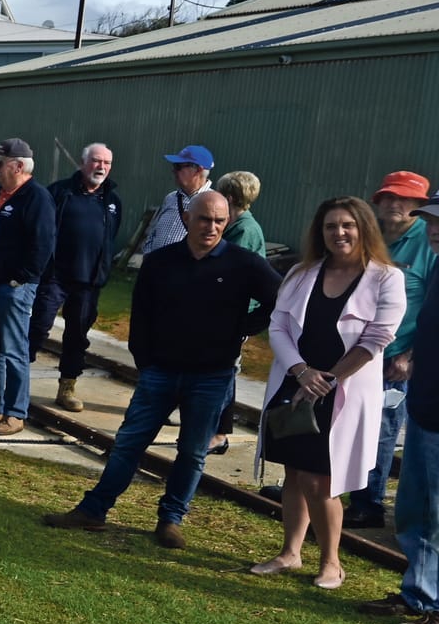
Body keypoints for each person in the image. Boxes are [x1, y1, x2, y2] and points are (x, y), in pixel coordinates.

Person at [44, 192, 279, 547]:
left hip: (212, 375)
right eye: (204, 219)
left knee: (193, 451)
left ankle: (171, 519)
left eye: (219, 221)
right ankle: (94, 510)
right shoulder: (160, 262)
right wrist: (144, 359)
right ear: (188, 218)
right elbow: (141, 315)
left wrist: (243, 326)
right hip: (161, 371)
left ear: (227, 222)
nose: (211, 227)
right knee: (128, 443)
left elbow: (281, 298)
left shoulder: (243, 264)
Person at [251, 197, 406, 590]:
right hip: (296, 382)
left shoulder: (386, 278)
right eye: (330, 226)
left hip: (340, 390)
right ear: (320, 233)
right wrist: (301, 371)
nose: (339, 233)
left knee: (321, 480)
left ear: (363, 229)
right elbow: (279, 326)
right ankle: (290, 552)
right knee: (293, 472)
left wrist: (329, 379)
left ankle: (332, 562)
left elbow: (377, 337)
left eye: (347, 225)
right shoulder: (303, 273)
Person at [347, 172, 435, 528]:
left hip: (396, 359)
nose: (396, 205)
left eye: (406, 200)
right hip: (358, 353)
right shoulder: (371, 239)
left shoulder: (428, 244)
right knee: (349, 425)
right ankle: (343, 490)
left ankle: (369, 504)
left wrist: (410, 355)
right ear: (378, 203)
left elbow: (432, 305)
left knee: (381, 430)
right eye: (389, 198)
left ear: (419, 208)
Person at [372, 199, 439, 624]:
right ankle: (417, 591)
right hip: (423, 404)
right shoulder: (436, 268)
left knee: (435, 510)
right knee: (415, 505)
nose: (433, 228)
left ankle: (432, 604)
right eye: (431, 221)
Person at [29, 141, 123, 412]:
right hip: (55, 277)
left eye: (106, 163)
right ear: (83, 163)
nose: (101, 167)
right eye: (96, 161)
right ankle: (16, 382)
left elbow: (110, 237)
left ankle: (67, 387)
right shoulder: (60, 192)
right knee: (37, 327)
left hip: (88, 281)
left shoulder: (112, 200)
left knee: (77, 336)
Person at [0, 138, 54, 435]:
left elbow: (43, 245)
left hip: (13, 288)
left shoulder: (36, 197)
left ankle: (16, 412)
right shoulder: (0, 195)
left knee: (14, 351)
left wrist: (21, 279)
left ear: (18, 166)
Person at [205, 170, 266, 453]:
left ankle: (219, 433)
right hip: (220, 315)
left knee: (225, 373)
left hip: (233, 315)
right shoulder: (236, 225)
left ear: (228, 197)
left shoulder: (244, 230)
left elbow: (230, 273)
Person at [141, 144, 215, 254]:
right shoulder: (171, 198)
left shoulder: (214, 203)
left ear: (198, 170)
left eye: (178, 167)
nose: (173, 171)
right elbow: (154, 233)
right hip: (155, 267)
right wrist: (148, 257)